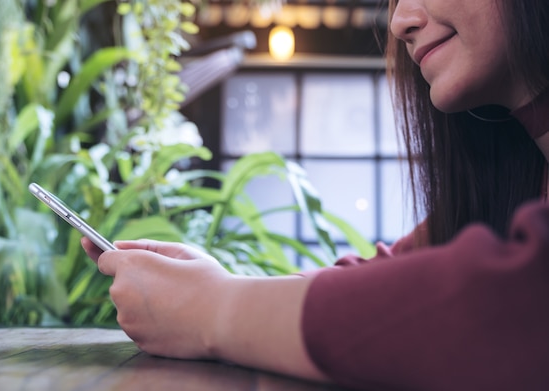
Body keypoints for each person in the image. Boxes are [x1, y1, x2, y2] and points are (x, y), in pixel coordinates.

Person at [82, 0, 549, 389]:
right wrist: (204, 290)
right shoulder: (514, 179)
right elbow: (398, 276)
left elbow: (512, 302)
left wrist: (215, 310)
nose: (400, 21)